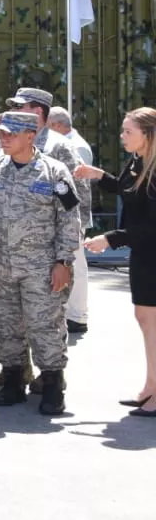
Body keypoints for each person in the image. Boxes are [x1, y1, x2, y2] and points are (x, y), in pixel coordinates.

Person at [0, 112, 80, 416]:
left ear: (30, 136)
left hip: (41, 266)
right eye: (1, 134)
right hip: (0, 265)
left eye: (10, 134)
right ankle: (13, 377)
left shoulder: (54, 172)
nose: (3, 139)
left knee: (45, 325)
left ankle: (52, 382)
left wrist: (64, 261)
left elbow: (69, 220)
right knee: (6, 323)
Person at [76, 108, 156, 416]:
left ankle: (154, 392)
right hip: (144, 253)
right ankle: (150, 388)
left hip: (149, 251)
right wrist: (99, 176)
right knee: (145, 319)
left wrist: (111, 239)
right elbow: (127, 189)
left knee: (150, 323)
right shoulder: (139, 161)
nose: (122, 136)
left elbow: (151, 225)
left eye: (128, 132)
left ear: (147, 135)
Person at [49, 105, 94, 334]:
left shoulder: (73, 146)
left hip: (73, 216)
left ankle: (77, 315)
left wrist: (80, 221)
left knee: (76, 264)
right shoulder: (68, 143)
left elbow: (81, 185)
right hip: (72, 215)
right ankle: (73, 313)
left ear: (56, 125)